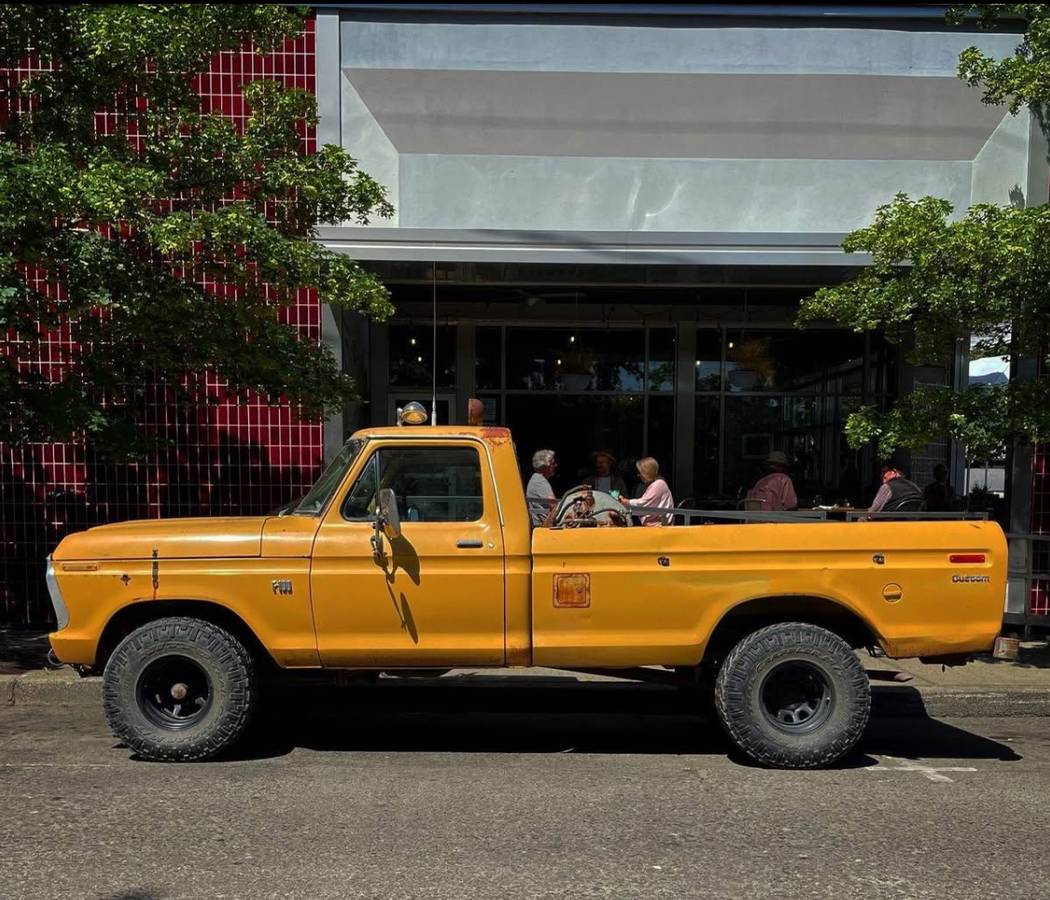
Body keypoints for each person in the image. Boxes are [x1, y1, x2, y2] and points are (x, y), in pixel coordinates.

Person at [619, 457, 674, 526]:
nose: (638, 475)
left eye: (640, 472)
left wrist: (627, 502)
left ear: (647, 472)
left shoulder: (659, 484)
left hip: (659, 526)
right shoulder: (652, 484)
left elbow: (644, 503)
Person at [526, 449, 558, 526]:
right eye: (553, 463)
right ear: (544, 466)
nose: (555, 465)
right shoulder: (539, 481)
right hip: (543, 527)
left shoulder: (536, 479)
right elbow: (554, 506)